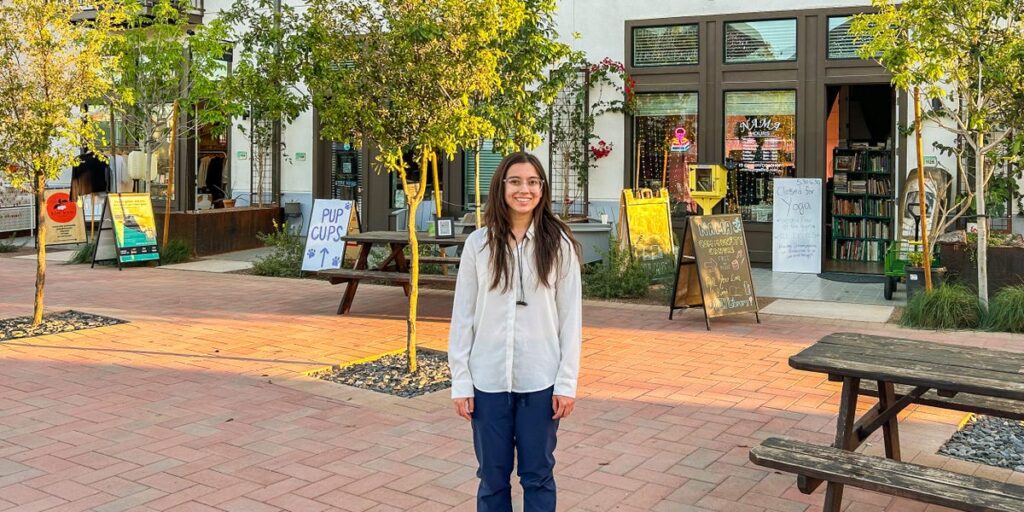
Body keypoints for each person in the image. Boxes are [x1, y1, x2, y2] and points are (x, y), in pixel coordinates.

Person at [448, 152, 583, 512]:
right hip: (488, 382)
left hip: (540, 381)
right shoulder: (478, 245)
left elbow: (571, 320)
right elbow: (462, 318)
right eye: (515, 181)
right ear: (501, 187)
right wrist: (461, 381)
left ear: (542, 189)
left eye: (532, 182)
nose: (524, 189)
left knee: (537, 474)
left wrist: (566, 383)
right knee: (492, 478)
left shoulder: (560, 245)